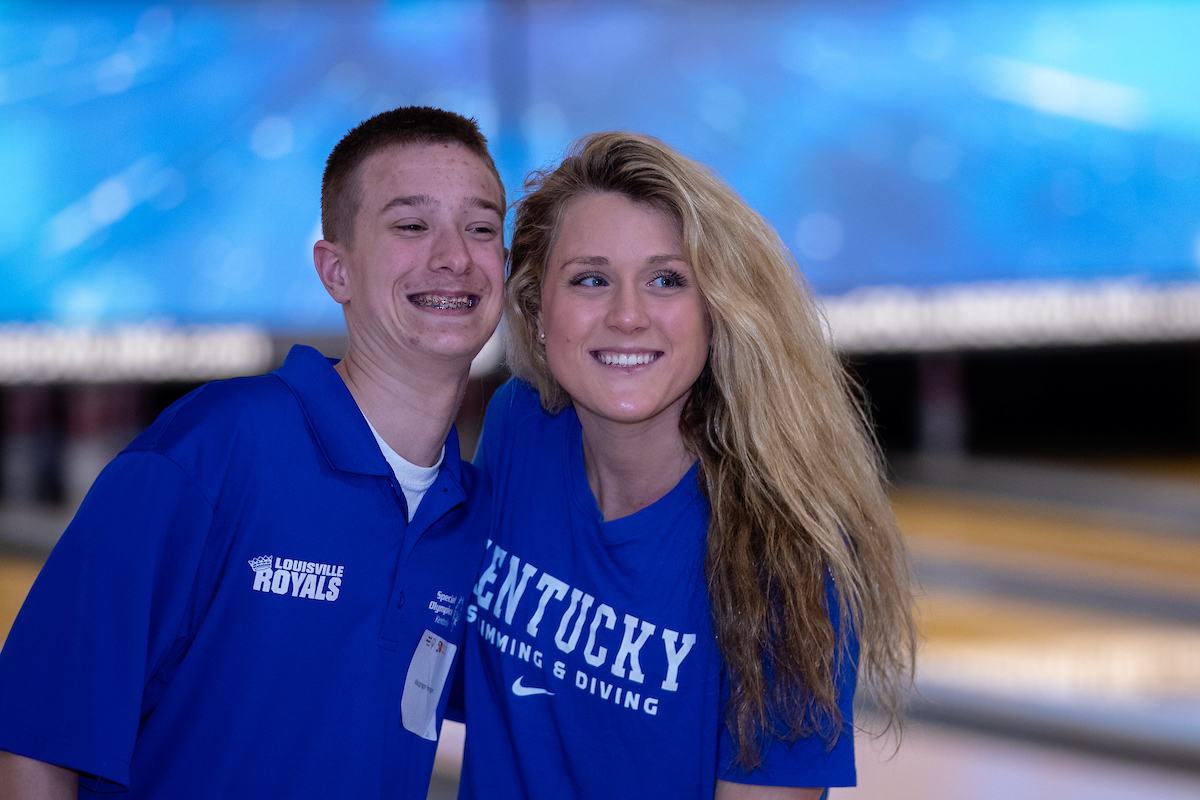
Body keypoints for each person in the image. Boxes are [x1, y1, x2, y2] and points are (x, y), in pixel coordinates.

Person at [0, 106, 506, 799]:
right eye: (412, 225)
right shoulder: (215, 448)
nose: (455, 256)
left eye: (482, 228)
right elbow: (33, 741)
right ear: (337, 272)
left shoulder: (473, 521)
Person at [458, 132, 916, 798]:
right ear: (535, 307)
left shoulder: (787, 549)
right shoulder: (519, 427)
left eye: (666, 280)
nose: (627, 315)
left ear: (715, 311)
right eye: (591, 279)